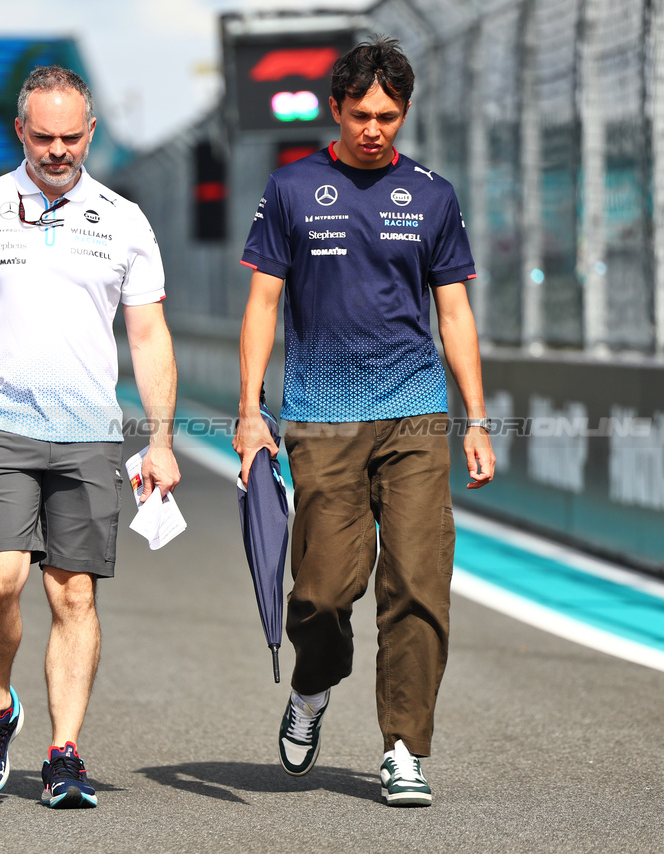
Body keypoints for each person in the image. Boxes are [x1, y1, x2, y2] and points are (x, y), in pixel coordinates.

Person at [233, 36, 495, 808]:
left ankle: (405, 748)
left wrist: (477, 418)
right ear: (335, 110)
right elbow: (262, 305)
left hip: (414, 414)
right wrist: (251, 414)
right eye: (361, 115)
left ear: (404, 113)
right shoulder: (289, 188)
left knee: (417, 586)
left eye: (388, 115)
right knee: (320, 591)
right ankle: (312, 689)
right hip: (321, 419)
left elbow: (455, 312)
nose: (374, 128)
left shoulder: (435, 196)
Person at [0, 65, 180, 809]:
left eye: (72, 137)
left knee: (74, 594)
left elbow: (150, 333)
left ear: (90, 132)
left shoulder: (125, 219)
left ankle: (64, 752)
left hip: (91, 436)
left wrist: (159, 440)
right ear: (20, 133)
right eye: (43, 137)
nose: (58, 151)